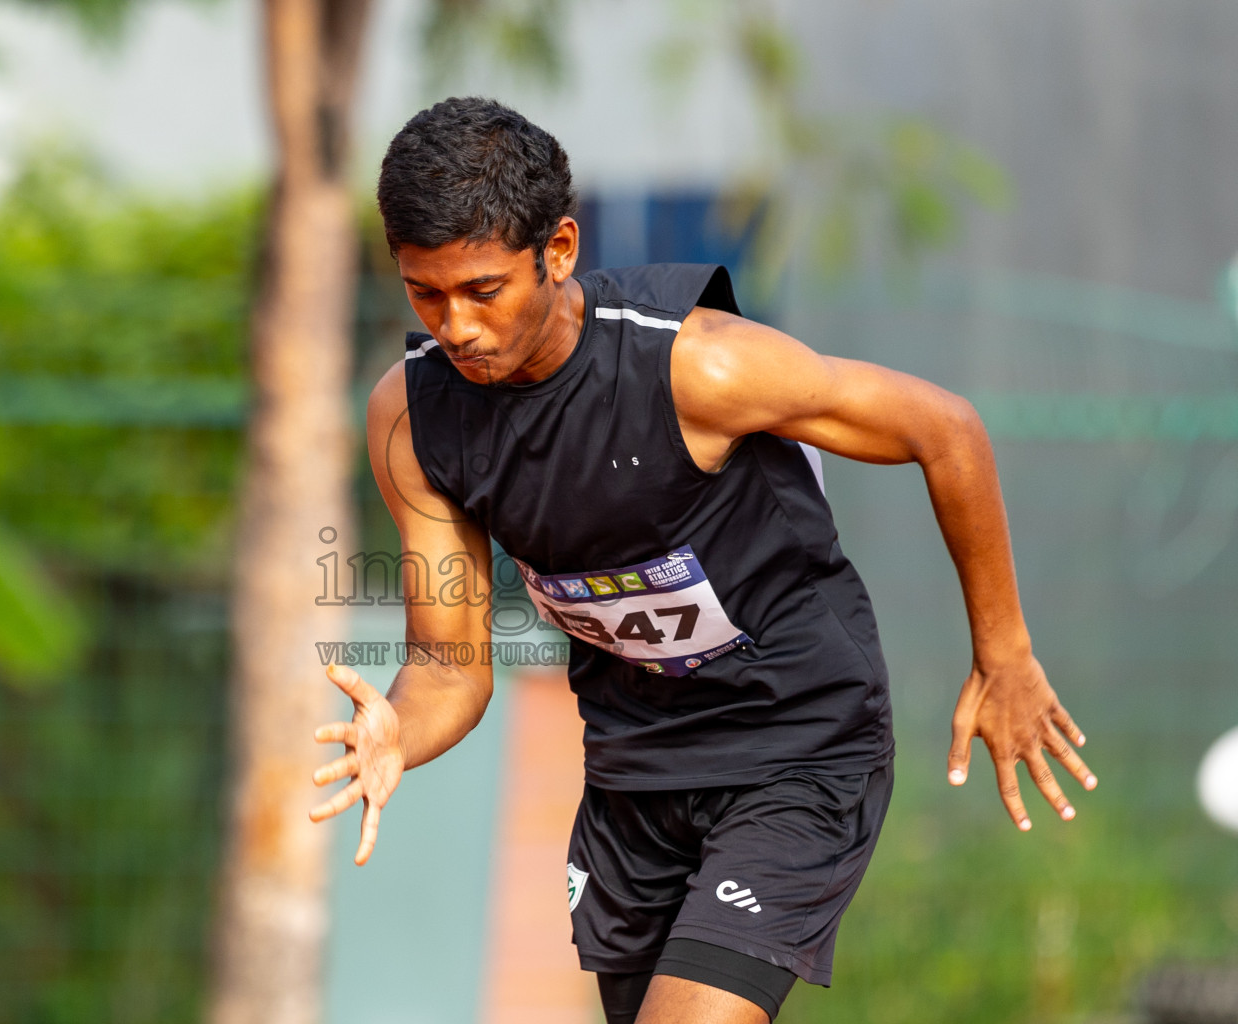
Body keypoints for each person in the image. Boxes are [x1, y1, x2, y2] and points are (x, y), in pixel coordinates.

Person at [308, 96, 1097, 1024]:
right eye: (425, 293)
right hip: (634, 775)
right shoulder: (412, 418)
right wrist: (399, 729)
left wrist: (1003, 653)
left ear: (557, 251)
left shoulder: (698, 367)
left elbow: (946, 428)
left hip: (795, 744)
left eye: (484, 290)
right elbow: (449, 667)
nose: (458, 326)